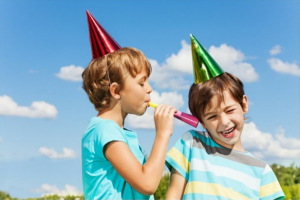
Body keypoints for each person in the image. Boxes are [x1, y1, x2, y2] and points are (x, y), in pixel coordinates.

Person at [165, 34, 285, 200]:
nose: (224, 122)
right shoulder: (191, 144)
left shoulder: (262, 172)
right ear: (202, 121)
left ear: (244, 105)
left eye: (229, 111)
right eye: (212, 116)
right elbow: (173, 195)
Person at [81, 11, 176, 200]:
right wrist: (163, 134)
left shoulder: (118, 132)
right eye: (142, 83)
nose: (149, 89)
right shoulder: (104, 130)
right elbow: (147, 184)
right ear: (116, 91)